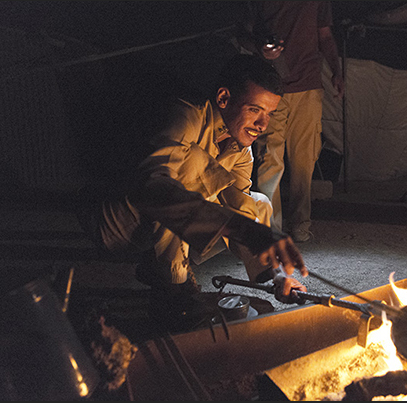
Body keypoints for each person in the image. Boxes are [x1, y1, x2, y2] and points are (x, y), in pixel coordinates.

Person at [76, 54, 308, 328]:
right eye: (255, 110)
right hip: (117, 224)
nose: (263, 124)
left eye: (269, 114)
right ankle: (174, 289)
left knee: (257, 202)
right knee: (194, 167)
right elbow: (152, 188)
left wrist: (277, 275)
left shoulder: (241, 149)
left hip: (156, 230)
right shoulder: (187, 115)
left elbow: (242, 210)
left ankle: (157, 266)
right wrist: (245, 230)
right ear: (223, 98)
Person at [236, 1, 345, 242]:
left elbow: (324, 34)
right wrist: (260, 47)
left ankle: (300, 226)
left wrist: (336, 70)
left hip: (308, 85)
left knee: (304, 158)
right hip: (269, 87)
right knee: (269, 159)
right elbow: (241, 33)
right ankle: (272, 229)